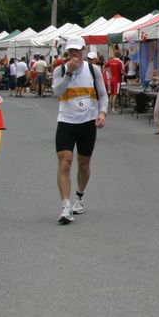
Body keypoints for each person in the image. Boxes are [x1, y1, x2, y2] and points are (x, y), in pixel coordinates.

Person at [51, 37, 108, 225]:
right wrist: (68, 73)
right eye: (70, 51)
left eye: (76, 50)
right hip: (66, 121)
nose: (73, 54)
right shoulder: (59, 70)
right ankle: (66, 206)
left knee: (84, 164)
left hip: (87, 122)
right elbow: (57, 92)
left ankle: (79, 197)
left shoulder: (93, 70)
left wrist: (102, 113)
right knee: (65, 162)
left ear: (83, 50)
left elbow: (102, 94)